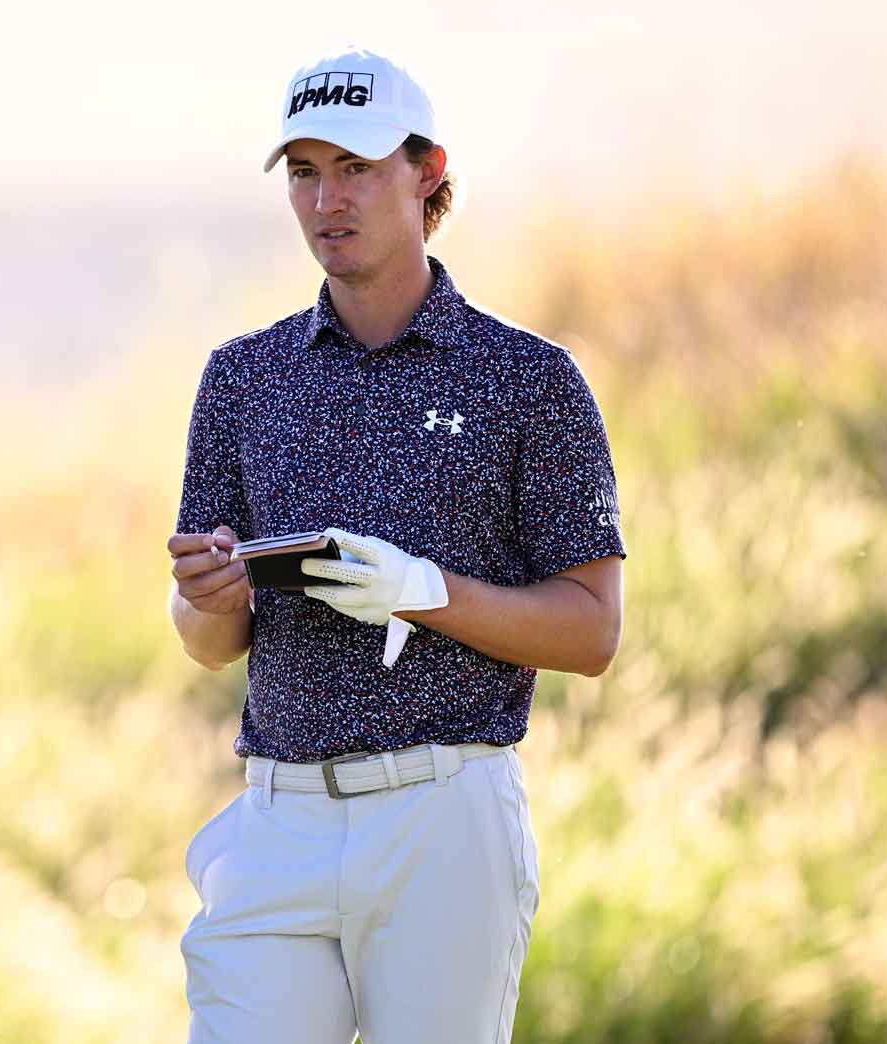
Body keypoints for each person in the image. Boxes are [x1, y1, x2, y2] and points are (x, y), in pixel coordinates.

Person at [166, 47, 625, 1043]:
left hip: (443, 824)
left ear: (426, 172)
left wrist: (422, 591)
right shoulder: (241, 379)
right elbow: (211, 645)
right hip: (276, 819)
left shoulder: (530, 380)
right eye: (303, 172)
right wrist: (206, 599)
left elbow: (592, 632)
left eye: (357, 168)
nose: (327, 200)